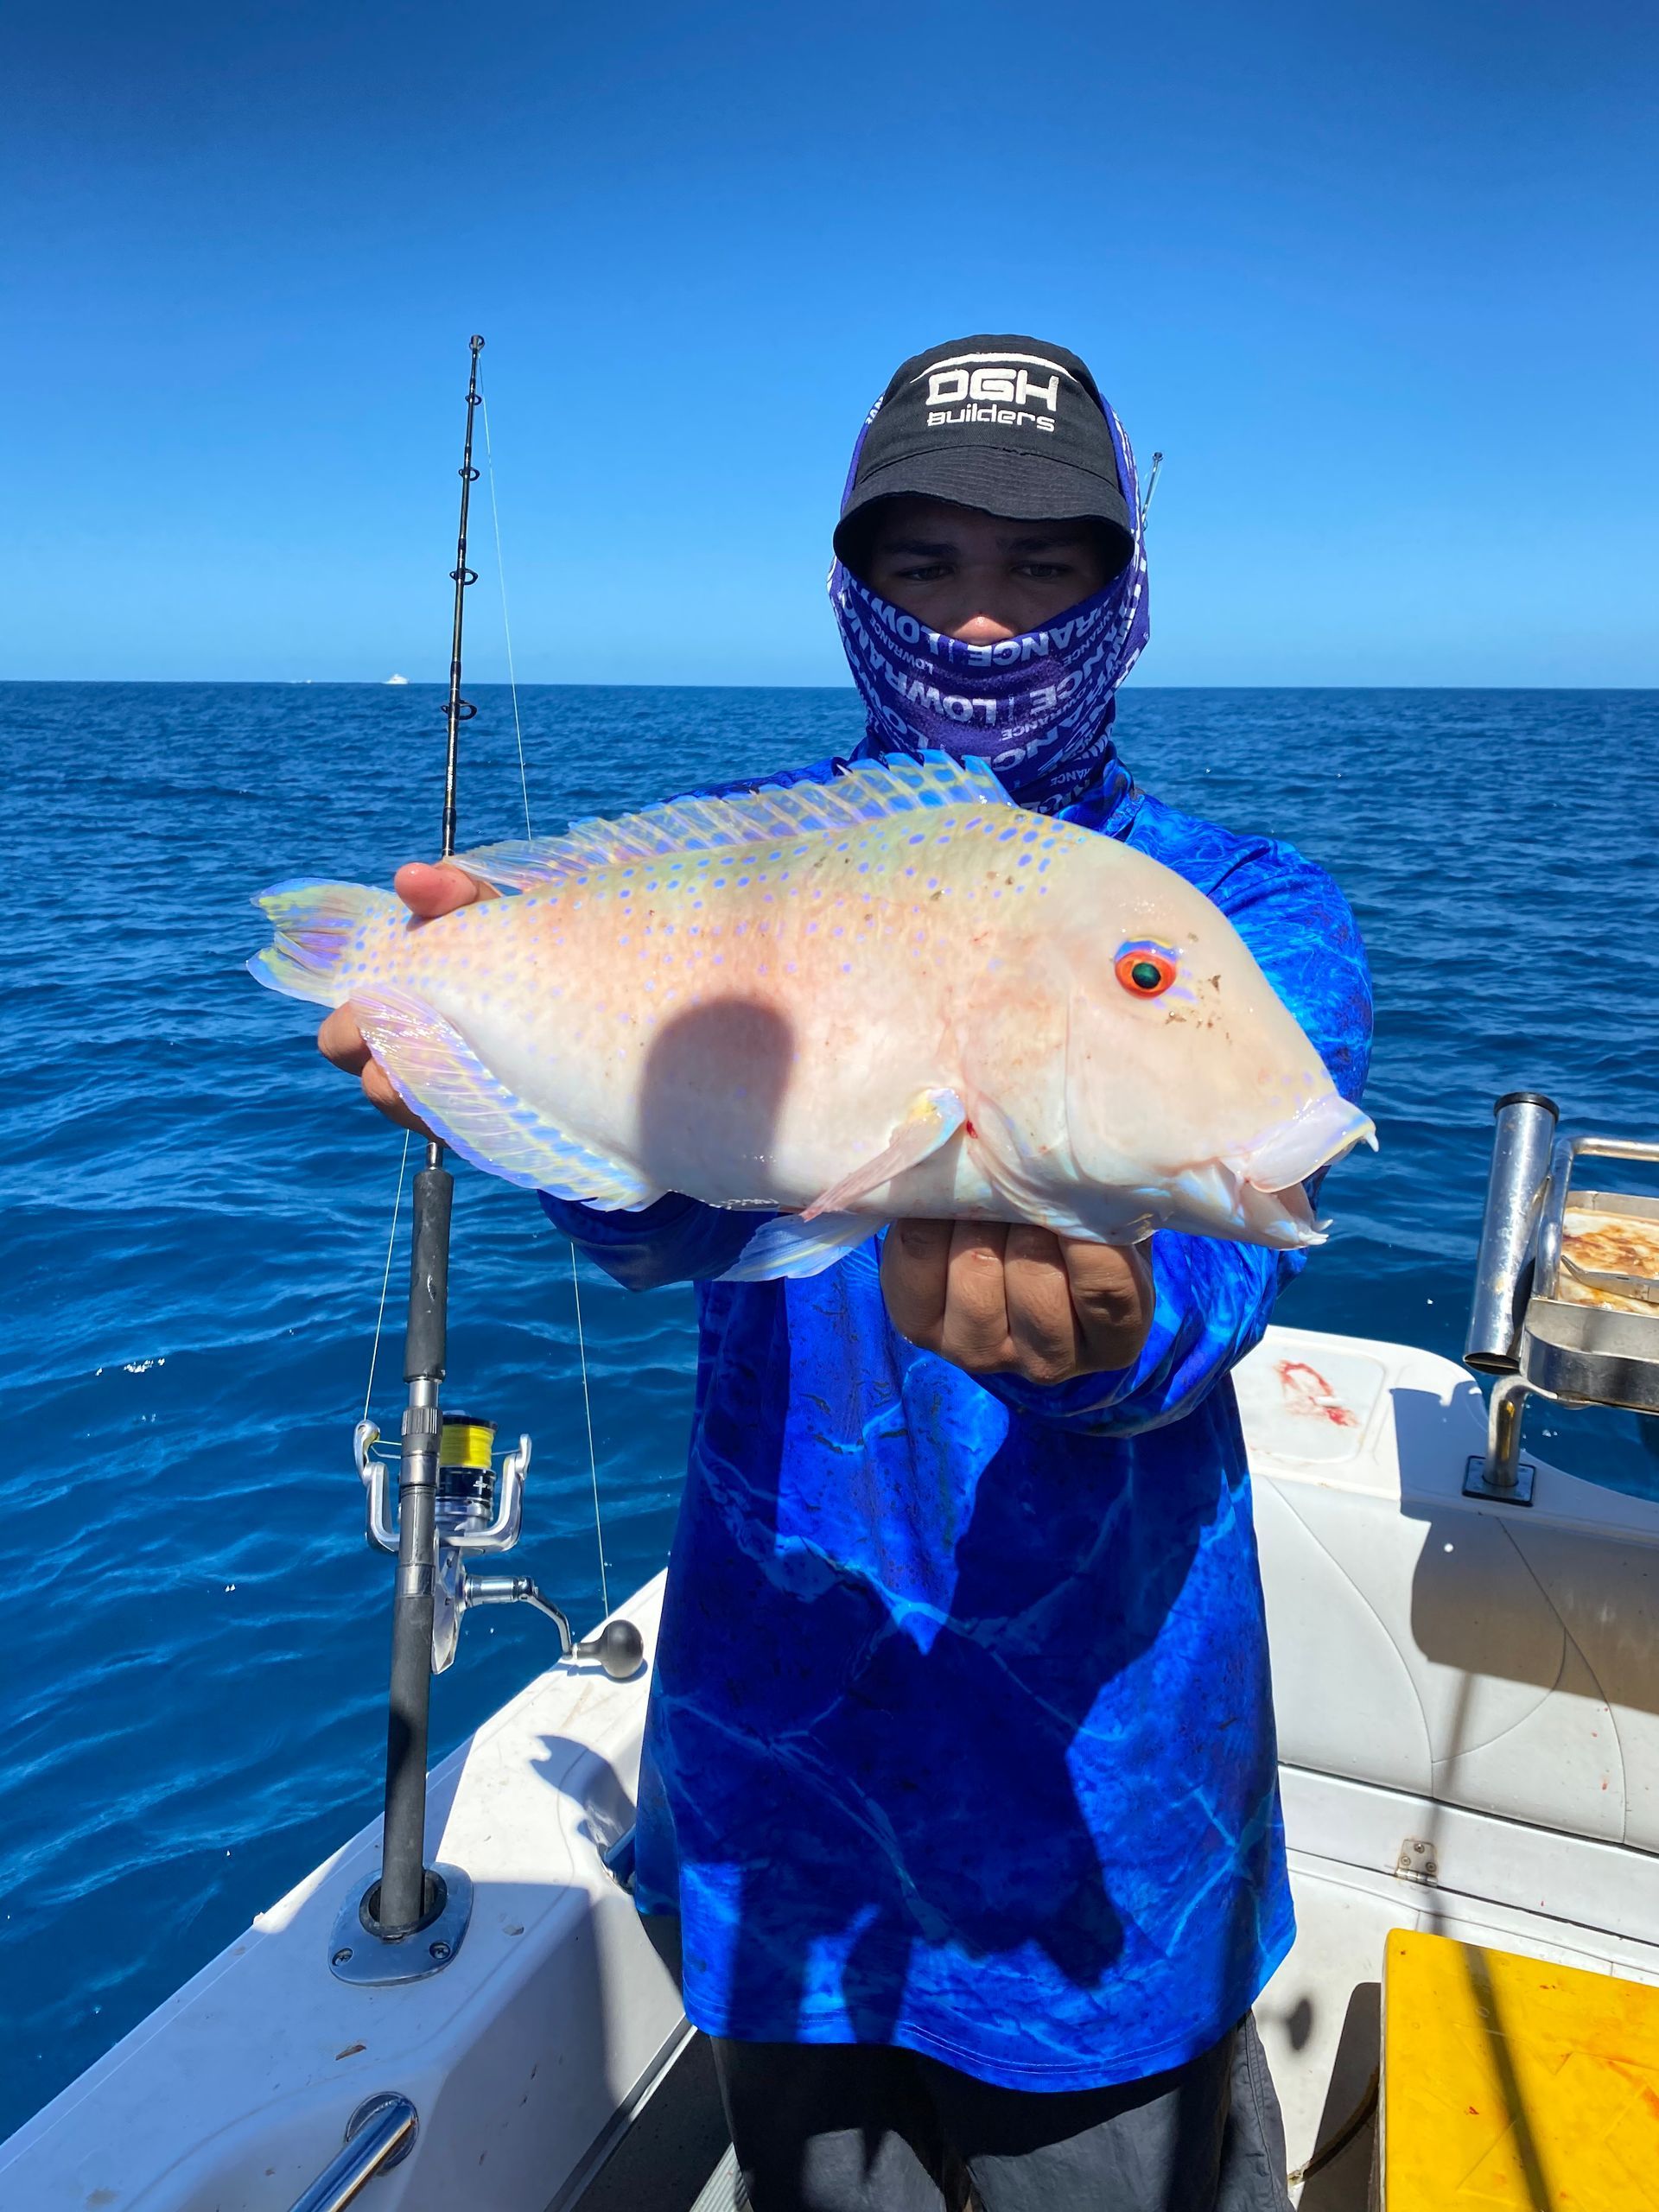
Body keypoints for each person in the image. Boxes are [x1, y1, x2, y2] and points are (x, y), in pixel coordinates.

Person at [321, 335, 1372, 2212]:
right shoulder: (737, 882)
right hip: (777, 1768)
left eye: (1047, 569)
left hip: (1105, 1827)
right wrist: (498, 1070)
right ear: (853, 586)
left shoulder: (1242, 901)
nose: (984, 624)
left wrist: (1115, 1319)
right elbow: (671, 1215)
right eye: (929, 565)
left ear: (1127, 595)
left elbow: (1221, 1267)